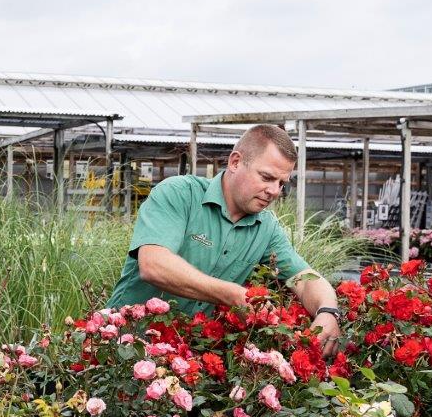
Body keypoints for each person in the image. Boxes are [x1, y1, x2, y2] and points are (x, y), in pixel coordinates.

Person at [107, 124, 343, 356]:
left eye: (281, 183)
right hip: (120, 347)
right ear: (235, 162)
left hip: (182, 358)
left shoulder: (266, 228)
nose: (274, 191)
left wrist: (328, 311)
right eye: (267, 177)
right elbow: (154, 265)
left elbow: (303, 278)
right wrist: (232, 295)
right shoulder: (180, 194)